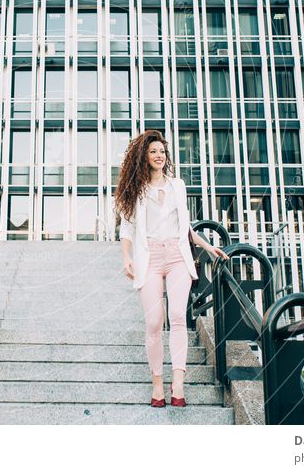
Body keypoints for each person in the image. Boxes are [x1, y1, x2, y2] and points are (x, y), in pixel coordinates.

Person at [114, 129, 229, 408]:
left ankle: (177, 384)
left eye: (162, 152)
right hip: (149, 258)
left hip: (177, 257)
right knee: (154, 324)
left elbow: (185, 228)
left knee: (177, 317)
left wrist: (207, 246)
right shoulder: (136, 190)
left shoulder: (178, 185)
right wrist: (126, 258)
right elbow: (127, 228)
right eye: (153, 152)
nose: (159, 156)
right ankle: (157, 383)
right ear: (144, 157)